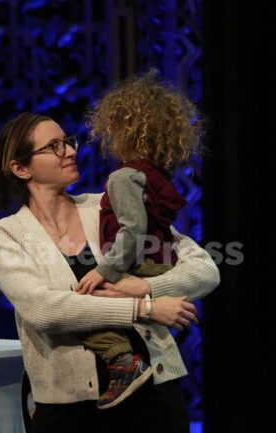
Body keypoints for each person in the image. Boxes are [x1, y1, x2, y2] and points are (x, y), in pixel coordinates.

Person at [0, 111, 219, 433]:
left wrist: (146, 287)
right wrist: (144, 309)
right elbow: (46, 310)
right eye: (54, 146)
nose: (70, 151)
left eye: (68, 141)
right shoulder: (3, 234)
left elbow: (205, 269)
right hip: (71, 414)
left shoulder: (107, 205)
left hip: (155, 399)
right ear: (20, 168)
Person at [74, 70, 204, 409]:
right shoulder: (156, 177)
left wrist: (104, 271)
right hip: (160, 262)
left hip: (141, 264)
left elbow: (132, 231)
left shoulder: (124, 177)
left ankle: (123, 363)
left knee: (83, 307)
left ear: (124, 132)